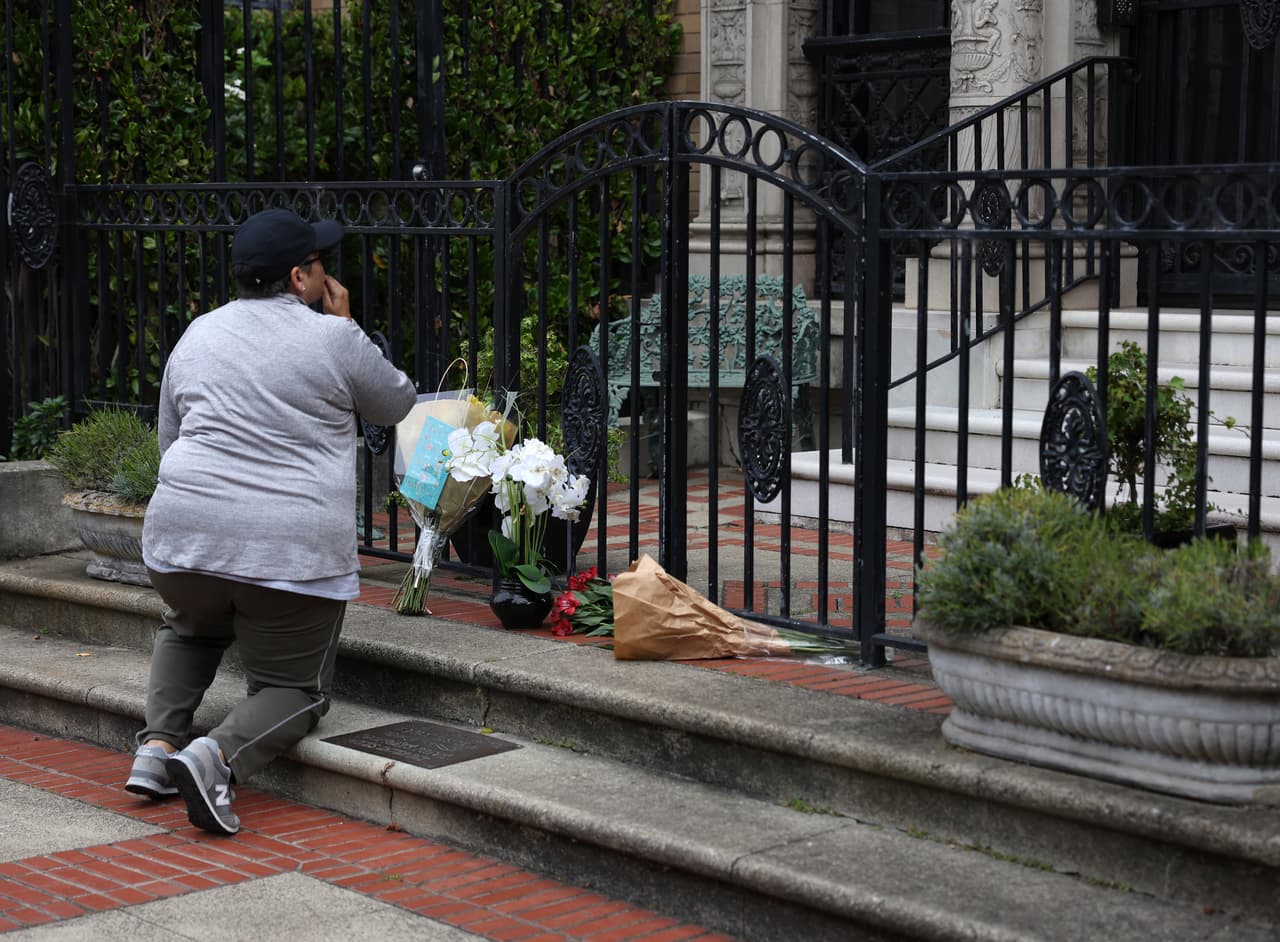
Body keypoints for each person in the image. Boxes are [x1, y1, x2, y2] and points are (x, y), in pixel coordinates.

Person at [124, 208, 417, 836]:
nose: (326, 272)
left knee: (192, 626)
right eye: (318, 263)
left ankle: (156, 750)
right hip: (286, 551)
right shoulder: (332, 337)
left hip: (180, 537)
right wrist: (347, 326)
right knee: (298, 689)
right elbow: (396, 400)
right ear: (298, 276)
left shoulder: (198, 332)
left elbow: (168, 438)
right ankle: (214, 757)